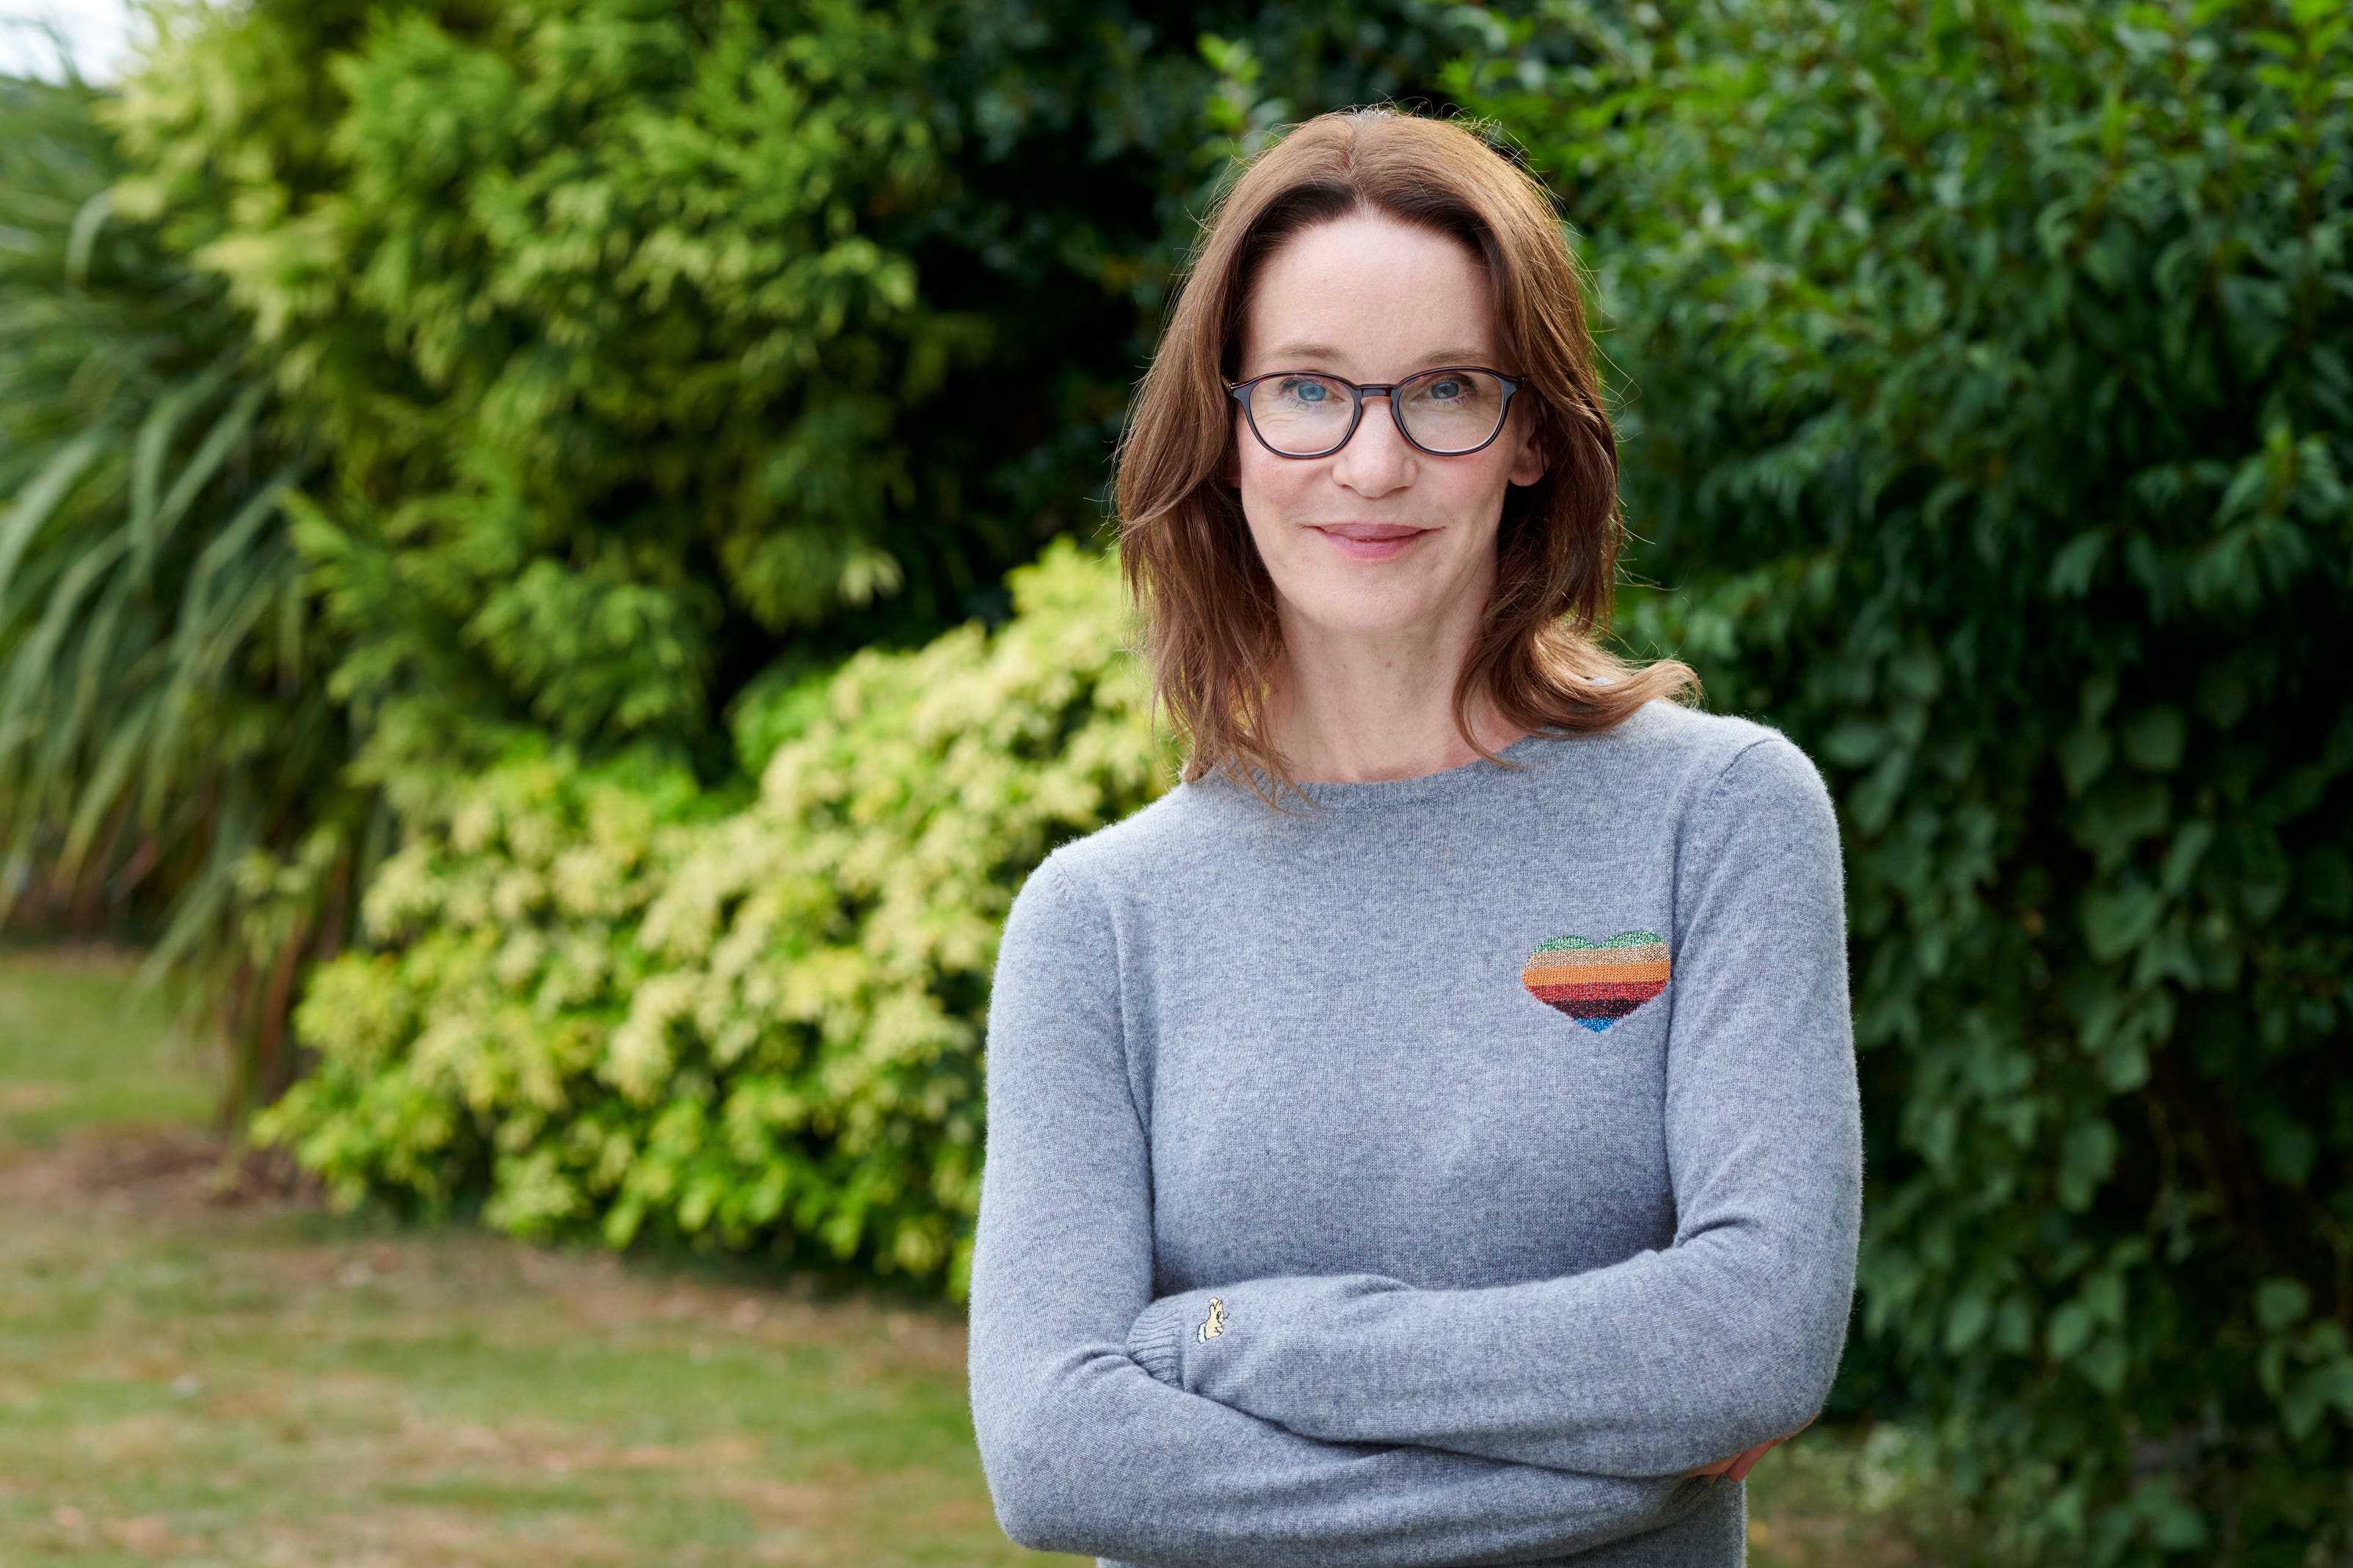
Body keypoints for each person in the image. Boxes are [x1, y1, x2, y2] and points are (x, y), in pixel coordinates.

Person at [967, 108, 1861, 1567]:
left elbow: (1749, 1343)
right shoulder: (1098, 918)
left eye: (1443, 390)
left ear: (1527, 435)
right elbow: (1061, 1454)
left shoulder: (1718, 818)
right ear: (1228, 429)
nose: (1372, 465)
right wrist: (1625, 1473)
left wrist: (1241, 1338)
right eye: (1308, 392)